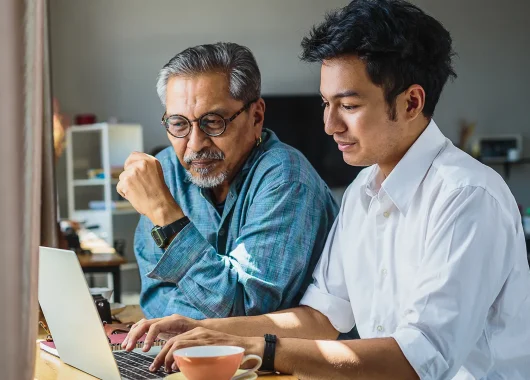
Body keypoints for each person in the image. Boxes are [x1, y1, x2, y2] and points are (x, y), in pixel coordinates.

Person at [122, 1, 530, 379]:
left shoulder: (468, 197)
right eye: (325, 104)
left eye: (348, 106)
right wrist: (207, 328)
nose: (329, 125)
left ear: (410, 103)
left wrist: (260, 348)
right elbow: (320, 317)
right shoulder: (362, 193)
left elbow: (419, 359)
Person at [116, 42, 338, 319]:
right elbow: (156, 295)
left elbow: (244, 307)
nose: (195, 144)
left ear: (256, 116)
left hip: (283, 361)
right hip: (191, 355)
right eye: (179, 123)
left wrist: (166, 215)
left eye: (213, 121)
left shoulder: (287, 179)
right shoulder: (167, 171)